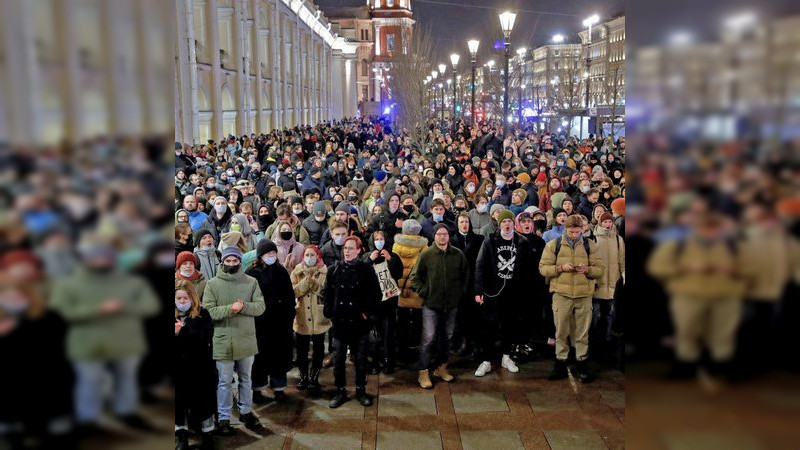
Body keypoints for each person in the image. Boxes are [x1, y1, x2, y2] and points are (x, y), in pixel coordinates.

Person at [50, 236, 161, 433]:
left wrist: (124, 306)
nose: (102, 261)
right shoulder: (69, 284)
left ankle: (126, 411)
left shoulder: (132, 281)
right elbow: (63, 313)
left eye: (106, 257)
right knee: (89, 381)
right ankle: (88, 419)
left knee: (127, 379)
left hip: (126, 340)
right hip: (87, 342)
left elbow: (151, 306)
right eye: (97, 257)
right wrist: (98, 309)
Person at [647, 213, 754, 381]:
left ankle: (721, 364)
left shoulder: (734, 245)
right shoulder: (677, 245)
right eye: (705, 228)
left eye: (714, 228)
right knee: (687, 331)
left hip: (725, 295)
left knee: (724, 332)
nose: (709, 232)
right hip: (688, 295)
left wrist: (733, 270)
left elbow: (752, 269)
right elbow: (657, 267)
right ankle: (686, 364)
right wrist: (684, 267)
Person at [0, 281, 73, 448]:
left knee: (56, 423)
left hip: (49, 376)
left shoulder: (49, 315)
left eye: (17, 293)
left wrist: (19, 328)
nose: (12, 298)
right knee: (14, 418)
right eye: (5, 295)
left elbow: (57, 338)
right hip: (10, 381)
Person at [203, 246, 266, 435]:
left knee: (246, 379)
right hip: (223, 340)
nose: (231, 264)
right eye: (228, 261)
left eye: (235, 260)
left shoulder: (251, 282)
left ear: (240, 261)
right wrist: (231, 309)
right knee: (224, 381)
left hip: (246, 338)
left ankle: (246, 411)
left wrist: (244, 306)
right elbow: (208, 312)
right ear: (223, 262)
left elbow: (260, 307)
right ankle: (224, 417)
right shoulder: (212, 284)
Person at [539, 215, 604, 383]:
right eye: (570, 232)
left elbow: (600, 270)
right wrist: (560, 268)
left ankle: (581, 361)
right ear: (565, 230)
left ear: (582, 230)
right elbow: (543, 268)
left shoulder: (591, 246)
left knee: (582, 332)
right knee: (561, 331)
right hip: (561, 293)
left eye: (577, 232)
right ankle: (561, 361)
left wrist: (588, 270)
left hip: (584, 295)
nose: (574, 235)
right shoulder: (554, 245)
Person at [323, 236, 382, 408]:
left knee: (361, 358)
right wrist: (330, 311)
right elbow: (328, 292)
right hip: (340, 322)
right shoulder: (334, 269)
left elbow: (375, 294)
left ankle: (360, 389)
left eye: (351, 248)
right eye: (345, 248)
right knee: (339, 359)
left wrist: (367, 314)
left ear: (358, 250)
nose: (347, 251)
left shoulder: (366, 270)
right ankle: (340, 390)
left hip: (359, 322)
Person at [473, 209, 534, 377]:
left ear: (513, 223)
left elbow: (528, 270)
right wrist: (478, 290)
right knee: (489, 326)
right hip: (493, 291)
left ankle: (506, 357)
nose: (506, 225)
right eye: (503, 222)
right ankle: (486, 360)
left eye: (509, 221)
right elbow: (480, 265)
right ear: (499, 224)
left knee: (510, 324)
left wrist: (526, 292)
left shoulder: (522, 242)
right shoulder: (490, 240)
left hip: (514, 292)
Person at [412, 223, 469, 389]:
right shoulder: (427, 255)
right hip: (431, 304)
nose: (442, 237)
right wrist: (425, 292)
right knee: (428, 338)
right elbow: (416, 277)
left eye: (445, 234)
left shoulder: (457, 255)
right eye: (439, 234)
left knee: (447, 337)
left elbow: (465, 275)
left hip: (451, 304)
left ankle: (441, 368)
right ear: (434, 236)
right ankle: (423, 371)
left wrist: (459, 293)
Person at [246, 240, 296, 404]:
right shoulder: (252, 273)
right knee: (259, 359)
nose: (272, 256)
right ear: (261, 256)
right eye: (269, 254)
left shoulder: (281, 271)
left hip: (279, 322)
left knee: (279, 356)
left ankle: (279, 388)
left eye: (274, 254)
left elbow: (289, 295)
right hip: (260, 323)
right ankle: (258, 389)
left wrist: (289, 316)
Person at [174, 280, 216, 450]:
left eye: (185, 298)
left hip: (200, 366)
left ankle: (207, 433)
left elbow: (205, 337)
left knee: (203, 400)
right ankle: (181, 434)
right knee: (178, 401)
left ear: (193, 297)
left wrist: (183, 331)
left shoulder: (202, 314)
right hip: (178, 368)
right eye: (179, 298)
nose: (182, 301)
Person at [290, 245, 330, 393]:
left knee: (319, 348)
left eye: (312, 255)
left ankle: (314, 375)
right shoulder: (297, 271)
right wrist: (305, 282)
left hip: (318, 315)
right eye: (307, 255)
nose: (309, 258)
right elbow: (293, 292)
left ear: (318, 256)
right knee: (302, 348)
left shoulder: (325, 271)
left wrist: (313, 283)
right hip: (302, 315)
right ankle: (303, 375)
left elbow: (326, 292)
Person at [362, 230, 404, 374]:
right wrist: (369, 260)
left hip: (389, 302)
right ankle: (374, 361)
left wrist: (390, 260)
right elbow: (362, 275)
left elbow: (398, 274)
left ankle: (389, 362)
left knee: (389, 334)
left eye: (382, 238)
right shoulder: (367, 256)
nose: (379, 241)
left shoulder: (394, 256)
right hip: (373, 303)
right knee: (374, 335)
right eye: (376, 239)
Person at [591, 212, 625, 366]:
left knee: (611, 321)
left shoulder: (618, 240)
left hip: (613, 288)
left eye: (610, 222)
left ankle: (609, 354)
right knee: (597, 321)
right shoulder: (593, 239)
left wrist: (623, 277)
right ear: (600, 223)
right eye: (605, 222)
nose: (607, 224)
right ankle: (596, 354)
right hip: (597, 287)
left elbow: (622, 262)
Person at [392, 219, 428, 361]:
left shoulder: (397, 245)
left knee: (402, 319)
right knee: (418, 319)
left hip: (401, 289)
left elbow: (394, 265)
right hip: (416, 288)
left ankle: (402, 347)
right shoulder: (424, 246)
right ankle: (415, 346)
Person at [450, 212, 484, 357]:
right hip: (457, 283)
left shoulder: (479, 239)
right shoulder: (451, 240)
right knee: (459, 316)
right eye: (462, 222)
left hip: (473, 282)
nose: (464, 224)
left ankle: (475, 344)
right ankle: (462, 342)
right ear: (457, 224)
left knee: (475, 316)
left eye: (466, 222)